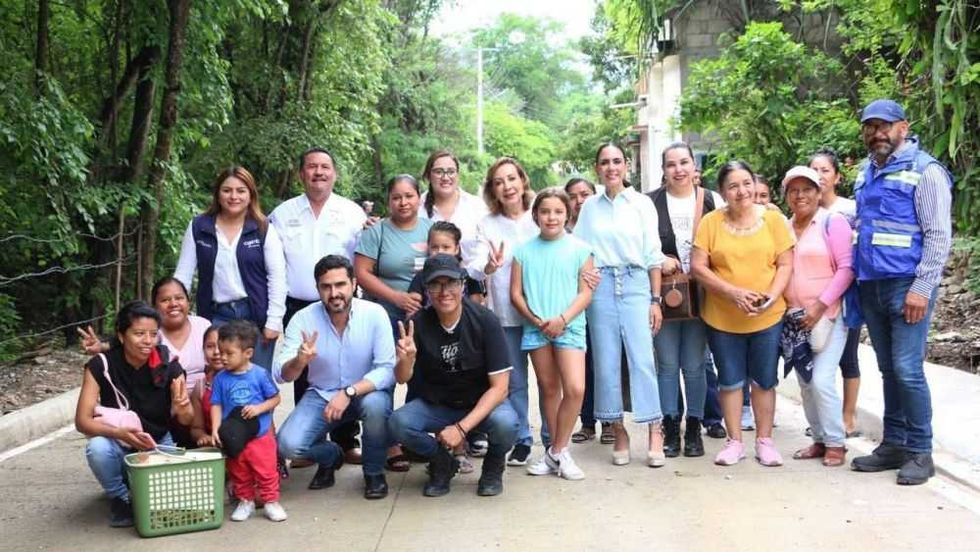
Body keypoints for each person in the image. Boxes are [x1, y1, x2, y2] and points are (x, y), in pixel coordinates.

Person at [849, 99, 953, 485]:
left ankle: (920, 452)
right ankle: (893, 443)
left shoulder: (925, 171)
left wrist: (922, 288)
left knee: (908, 370)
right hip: (872, 285)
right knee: (889, 370)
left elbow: (938, 235)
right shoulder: (866, 172)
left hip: (907, 286)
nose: (877, 133)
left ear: (903, 128)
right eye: (870, 127)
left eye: (885, 126)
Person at [388, 254, 519, 497]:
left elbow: (500, 388)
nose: (444, 292)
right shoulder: (418, 324)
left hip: (480, 403)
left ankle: (493, 466)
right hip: (439, 404)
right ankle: (442, 462)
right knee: (399, 423)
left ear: (462, 285)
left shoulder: (485, 320)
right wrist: (405, 359)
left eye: (451, 283)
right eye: (436, 284)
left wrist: (460, 429)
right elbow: (402, 378)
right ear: (426, 289)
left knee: (506, 424)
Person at [691, 160, 794, 467]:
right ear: (723, 192)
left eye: (747, 183)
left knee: (764, 380)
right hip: (722, 317)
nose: (742, 191)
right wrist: (732, 293)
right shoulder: (710, 222)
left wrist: (771, 296)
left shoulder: (773, 220)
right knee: (730, 380)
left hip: (767, 316)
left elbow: (785, 263)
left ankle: (765, 441)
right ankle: (734, 441)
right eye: (733, 186)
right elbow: (698, 266)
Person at [268, 147, 365, 464]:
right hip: (299, 304)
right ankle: (311, 441)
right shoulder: (282, 214)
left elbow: (362, 260)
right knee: (304, 368)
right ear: (301, 174)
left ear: (334, 173)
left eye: (325, 167)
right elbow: (273, 265)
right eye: (312, 167)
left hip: (343, 301)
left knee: (346, 367)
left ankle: (347, 440)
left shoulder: (352, 213)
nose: (318, 172)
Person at [574, 143, 667, 468]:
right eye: (604, 162)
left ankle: (655, 429)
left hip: (636, 282)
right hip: (601, 286)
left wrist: (655, 300)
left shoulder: (641, 204)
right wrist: (585, 281)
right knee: (606, 362)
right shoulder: (590, 207)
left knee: (643, 360)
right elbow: (581, 251)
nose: (611, 167)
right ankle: (618, 430)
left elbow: (653, 254)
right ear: (596, 168)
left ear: (626, 165)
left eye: (616, 161)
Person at [274, 255, 395, 499]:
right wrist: (299, 361)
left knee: (376, 406)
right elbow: (281, 374)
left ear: (354, 284)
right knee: (287, 445)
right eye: (326, 286)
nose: (334, 293)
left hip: (364, 392)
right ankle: (331, 456)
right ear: (317, 288)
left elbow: (387, 370)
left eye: (340, 285)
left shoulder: (375, 314)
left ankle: (373, 473)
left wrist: (349, 392)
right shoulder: (303, 318)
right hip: (321, 394)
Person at [74, 301, 192, 527]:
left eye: (153, 334)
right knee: (97, 448)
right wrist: (120, 433)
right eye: (139, 334)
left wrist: (183, 407)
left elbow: (186, 419)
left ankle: (136, 486)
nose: (148, 341)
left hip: (157, 443)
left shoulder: (169, 365)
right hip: (119, 443)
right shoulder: (101, 365)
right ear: (121, 336)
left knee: (167, 503)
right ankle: (120, 498)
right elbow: (82, 421)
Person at [647, 142, 725, 458]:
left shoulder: (712, 200)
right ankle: (670, 426)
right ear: (663, 170)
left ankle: (694, 426)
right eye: (671, 164)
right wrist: (659, 258)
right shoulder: (649, 203)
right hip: (664, 295)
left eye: (683, 163)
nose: (678, 170)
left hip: (702, 295)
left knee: (694, 365)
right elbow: (640, 245)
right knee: (666, 364)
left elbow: (727, 239)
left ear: (695, 166)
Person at [511, 188, 594, 479]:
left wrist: (562, 319)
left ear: (567, 215)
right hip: (537, 328)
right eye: (545, 211)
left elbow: (585, 293)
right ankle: (555, 452)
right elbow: (515, 294)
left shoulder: (581, 249)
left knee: (575, 389)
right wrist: (536, 320)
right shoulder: (523, 251)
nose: (551, 217)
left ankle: (557, 450)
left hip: (569, 326)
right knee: (548, 388)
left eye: (558, 211)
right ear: (535, 215)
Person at [173, 166, 286, 372]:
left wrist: (274, 321)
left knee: (256, 381)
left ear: (251, 195)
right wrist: (176, 312)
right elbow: (183, 276)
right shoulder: (199, 227)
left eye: (241, 191)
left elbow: (277, 277)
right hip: (216, 316)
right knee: (218, 380)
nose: (234, 196)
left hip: (255, 316)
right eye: (227, 190)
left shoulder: (263, 228)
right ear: (218, 194)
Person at [470, 157, 540, 466]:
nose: (507, 186)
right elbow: (474, 265)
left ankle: (553, 439)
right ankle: (523, 438)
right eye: (499, 182)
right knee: (515, 382)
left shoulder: (539, 214)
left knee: (550, 382)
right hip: (505, 314)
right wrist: (489, 266)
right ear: (492, 190)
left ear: (522, 180)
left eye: (511, 178)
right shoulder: (487, 224)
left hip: (542, 313)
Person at [781, 166, 853, 467]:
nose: (801, 196)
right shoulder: (783, 227)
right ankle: (820, 439)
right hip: (794, 320)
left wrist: (820, 305)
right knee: (806, 383)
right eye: (794, 190)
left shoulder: (832, 222)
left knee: (822, 380)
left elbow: (847, 268)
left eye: (807, 189)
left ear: (818, 192)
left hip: (829, 315)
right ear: (786, 196)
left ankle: (836, 443)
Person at [209, 321, 285, 522]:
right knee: (238, 470)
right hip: (234, 436)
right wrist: (215, 428)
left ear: (248, 353)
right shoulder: (220, 379)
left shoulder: (259, 375)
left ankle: (271, 501)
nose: (223, 357)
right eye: (221, 352)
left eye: (229, 353)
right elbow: (216, 404)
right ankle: (245, 501)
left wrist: (259, 408)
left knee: (266, 469)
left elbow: (276, 398)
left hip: (260, 434)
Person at [809, 148, 861, 436]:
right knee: (818, 361)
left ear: (837, 177)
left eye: (825, 170)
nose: (819, 176)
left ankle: (848, 417)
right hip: (815, 299)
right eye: (814, 170)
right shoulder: (804, 210)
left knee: (848, 357)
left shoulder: (849, 209)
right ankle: (824, 420)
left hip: (848, 295)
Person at [354, 174, 432, 331]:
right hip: (386, 316)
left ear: (419, 198)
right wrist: (396, 297)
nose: (403, 203)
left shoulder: (433, 229)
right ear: (388, 201)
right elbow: (361, 273)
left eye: (409, 196)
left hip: (429, 317)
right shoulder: (376, 232)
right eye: (396, 198)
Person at [564, 177, 606, 444]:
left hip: (603, 301)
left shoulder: (602, 223)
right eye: (573, 196)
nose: (579, 201)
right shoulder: (560, 228)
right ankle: (587, 421)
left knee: (606, 361)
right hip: (573, 306)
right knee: (582, 365)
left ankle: (610, 420)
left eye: (585, 194)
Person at [419, 149, 488, 276]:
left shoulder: (477, 207)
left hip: (471, 281)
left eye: (451, 172)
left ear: (457, 175)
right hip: (427, 282)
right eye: (439, 172)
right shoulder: (417, 207)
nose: (445, 177)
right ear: (428, 175)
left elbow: (484, 250)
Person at [189, 325, 223, 447]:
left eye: (222, 345)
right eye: (210, 346)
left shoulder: (250, 380)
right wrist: (203, 437)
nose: (216, 352)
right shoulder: (201, 387)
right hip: (216, 450)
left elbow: (265, 425)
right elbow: (196, 428)